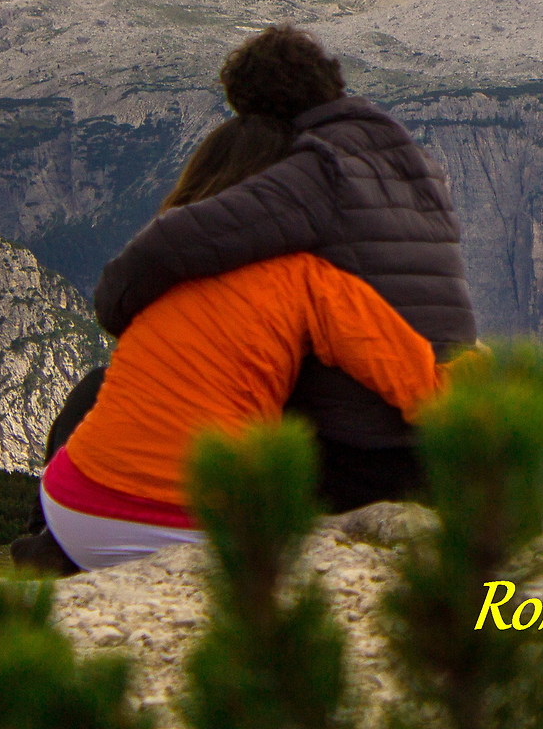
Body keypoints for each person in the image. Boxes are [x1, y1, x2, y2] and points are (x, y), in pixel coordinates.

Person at [34, 113, 448, 571]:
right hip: (197, 527)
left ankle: (43, 548)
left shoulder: (166, 268)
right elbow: (428, 393)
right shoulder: (310, 280)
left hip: (73, 507)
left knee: (99, 385)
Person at [93, 24, 477, 513]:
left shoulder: (320, 172)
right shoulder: (416, 162)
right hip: (445, 437)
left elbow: (174, 244)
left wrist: (115, 306)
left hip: (358, 452)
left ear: (262, 115)